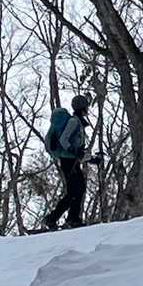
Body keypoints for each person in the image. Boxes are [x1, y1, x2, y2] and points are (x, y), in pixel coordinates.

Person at [42, 94, 98, 231]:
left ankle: (65, 218)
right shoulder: (74, 122)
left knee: (77, 189)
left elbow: (77, 150)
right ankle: (66, 219)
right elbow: (64, 140)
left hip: (71, 161)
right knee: (75, 190)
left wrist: (91, 159)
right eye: (86, 107)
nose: (87, 110)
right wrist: (74, 152)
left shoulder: (77, 122)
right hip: (68, 161)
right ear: (83, 108)